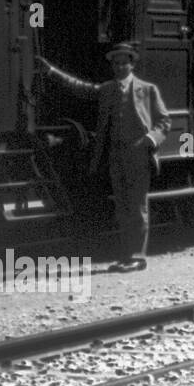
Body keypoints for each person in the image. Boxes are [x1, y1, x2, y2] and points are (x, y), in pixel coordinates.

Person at [37, 44, 171, 272]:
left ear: (132, 64)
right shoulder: (107, 89)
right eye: (116, 63)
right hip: (115, 156)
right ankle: (127, 256)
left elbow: (164, 121)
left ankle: (137, 257)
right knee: (122, 208)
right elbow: (80, 88)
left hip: (138, 157)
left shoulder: (147, 90)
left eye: (124, 63)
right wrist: (52, 71)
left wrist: (150, 139)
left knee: (137, 207)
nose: (120, 67)